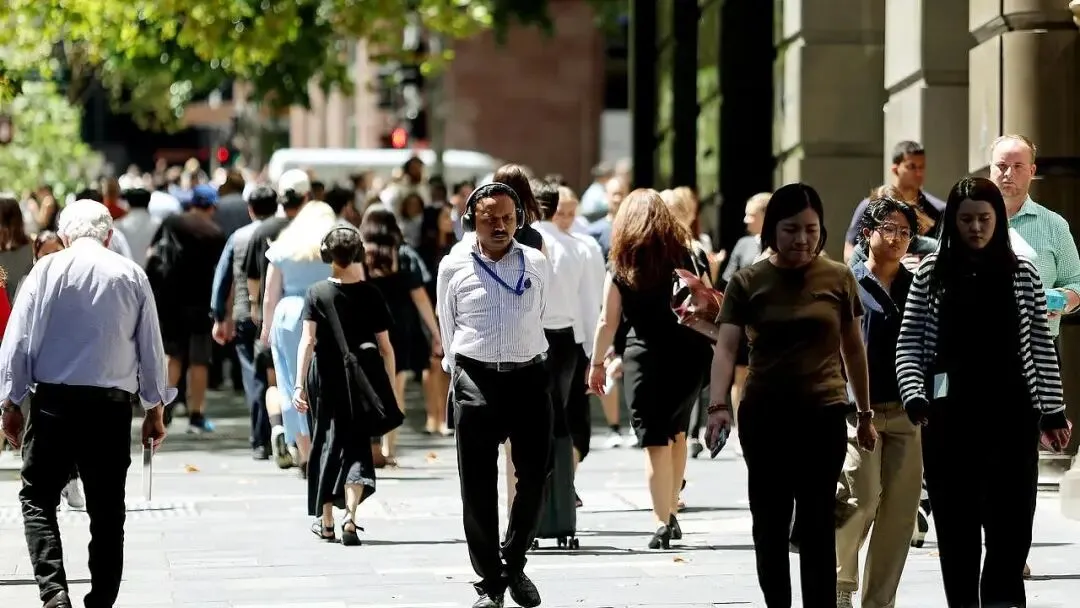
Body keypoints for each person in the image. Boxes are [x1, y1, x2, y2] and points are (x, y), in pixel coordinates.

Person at [895, 176, 1070, 608]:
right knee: (958, 533)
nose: (975, 227)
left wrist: (1052, 411)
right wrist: (914, 393)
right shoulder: (933, 272)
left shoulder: (1022, 271)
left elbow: (1040, 346)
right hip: (949, 418)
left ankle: (1002, 601)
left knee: (1011, 530)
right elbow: (911, 341)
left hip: (1011, 416)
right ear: (952, 222)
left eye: (984, 219)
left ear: (998, 220)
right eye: (966, 219)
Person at [706, 183, 876, 608]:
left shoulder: (838, 276)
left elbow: (853, 347)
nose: (802, 238)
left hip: (823, 414)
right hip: (765, 416)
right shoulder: (748, 281)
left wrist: (866, 412)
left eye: (811, 229)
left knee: (818, 520)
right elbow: (726, 348)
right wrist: (718, 406)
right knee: (770, 521)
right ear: (771, 232)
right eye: (791, 229)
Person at [0, 200, 173, 608]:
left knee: (37, 496)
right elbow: (151, 346)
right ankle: (103, 598)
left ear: (63, 236)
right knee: (108, 505)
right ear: (109, 236)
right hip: (110, 408)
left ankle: (53, 590)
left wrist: (10, 402)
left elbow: (18, 341)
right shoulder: (131, 274)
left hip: (53, 405)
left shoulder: (43, 272)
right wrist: (155, 409)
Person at [436, 182, 552, 608]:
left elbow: (541, 313)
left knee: (536, 476)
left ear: (518, 219)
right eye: (490, 219)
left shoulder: (537, 262)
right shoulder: (453, 266)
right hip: (476, 380)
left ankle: (514, 561)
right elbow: (447, 326)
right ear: (473, 221)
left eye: (507, 218)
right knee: (478, 484)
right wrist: (459, 371)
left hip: (529, 378)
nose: (500, 226)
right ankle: (491, 581)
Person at [587, 189, 714, 549]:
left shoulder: (622, 263)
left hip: (646, 357)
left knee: (655, 440)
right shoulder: (687, 254)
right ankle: (670, 506)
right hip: (689, 354)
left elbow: (607, 320)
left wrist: (597, 363)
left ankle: (661, 520)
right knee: (675, 431)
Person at [834, 197, 922, 608]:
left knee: (900, 513)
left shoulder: (916, 286)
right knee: (859, 498)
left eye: (905, 232)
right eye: (889, 228)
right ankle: (840, 588)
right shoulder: (844, 282)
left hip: (906, 412)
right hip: (857, 413)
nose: (898, 238)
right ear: (867, 234)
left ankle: (879, 601)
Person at [294, 226, 397, 545]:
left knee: (325, 443)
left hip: (324, 377)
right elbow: (386, 347)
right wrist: (388, 389)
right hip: (362, 381)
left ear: (327, 256)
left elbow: (307, 342)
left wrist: (299, 384)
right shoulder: (372, 293)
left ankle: (326, 521)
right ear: (357, 254)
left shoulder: (316, 293)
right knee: (356, 446)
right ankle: (350, 518)